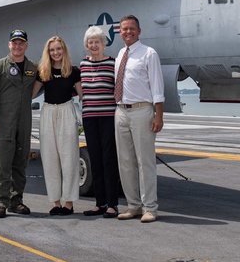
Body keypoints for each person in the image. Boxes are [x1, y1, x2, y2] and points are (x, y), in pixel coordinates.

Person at [0, 29, 38, 218]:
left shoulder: (33, 68)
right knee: (1, 163)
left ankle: (16, 201)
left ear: (26, 45)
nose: (18, 46)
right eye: (15, 42)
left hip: (23, 122)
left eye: (21, 43)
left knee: (20, 163)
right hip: (3, 122)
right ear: (9, 45)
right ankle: (0, 202)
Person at [113, 15, 165, 223]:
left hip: (142, 111)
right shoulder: (120, 54)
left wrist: (158, 115)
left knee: (145, 162)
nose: (128, 32)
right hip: (121, 111)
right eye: (124, 29)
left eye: (131, 29)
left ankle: (150, 207)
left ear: (139, 31)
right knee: (125, 162)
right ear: (120, 32)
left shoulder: (148, 54)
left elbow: (157, 87)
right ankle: (133, 206)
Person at [32, 36, 83, 215]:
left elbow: (83, 95)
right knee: (49, 157)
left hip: (66, 110)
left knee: (69, 157)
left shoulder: (74, 71)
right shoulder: (43, 71)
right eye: (52, 50)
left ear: (64, 50)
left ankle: (69, 202)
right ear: (48, 52)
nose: (55, 52)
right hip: (48, 112)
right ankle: (55, 202)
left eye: (58, 49)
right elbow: (31, 94)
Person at [78, 26, 121, 217]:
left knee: (109, 159)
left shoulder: (113, 63)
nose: (94, 45)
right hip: (89, 118)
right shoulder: (83, 65)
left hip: (108, 117)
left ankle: (112, 204)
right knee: (95, 159)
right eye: (90, 42)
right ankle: (99, 203)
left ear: (104, 44)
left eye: (97, 42)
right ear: (86, 45)